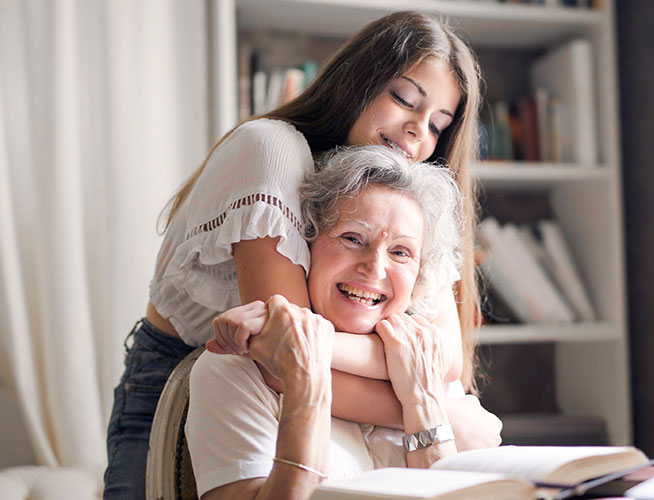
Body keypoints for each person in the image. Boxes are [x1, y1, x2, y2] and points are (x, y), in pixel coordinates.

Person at [103, 10, 494, 500]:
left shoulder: (407, 195)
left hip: (314, 399)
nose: (418, 131)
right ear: (356, 82)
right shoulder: (271, 150)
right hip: (187, 386)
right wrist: (435, 407)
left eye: (438, 124)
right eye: (403, 99)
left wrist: (426, 387)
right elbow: (282, 363)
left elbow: (444, 359)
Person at [186, 146, 494, 500]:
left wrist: (424, 405)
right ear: (308, 244)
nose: (375, 268)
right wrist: (307, 382)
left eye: (400, 252)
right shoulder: (236, 371)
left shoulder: (430, 375)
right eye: (352, 238)